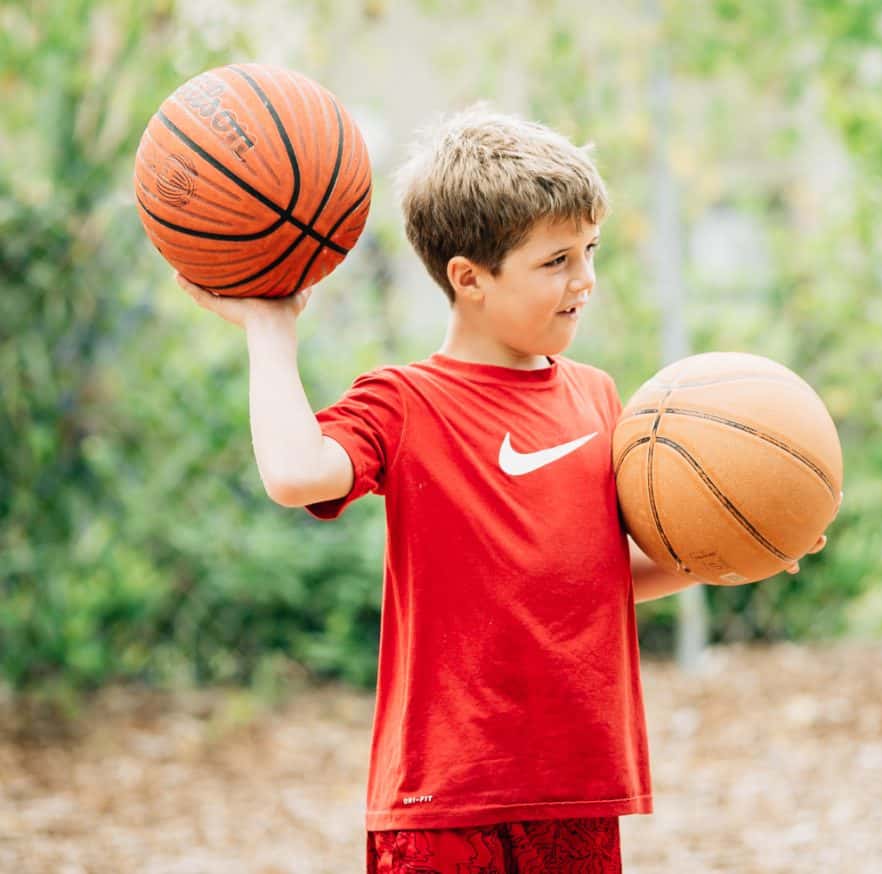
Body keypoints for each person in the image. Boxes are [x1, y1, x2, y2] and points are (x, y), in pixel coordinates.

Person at [177, 105, 826, 873]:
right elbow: (293, 474)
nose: (585, 279)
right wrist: (270, 327)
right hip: (445, 805)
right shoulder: (405, 402)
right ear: (469, 278)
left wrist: (745, 543)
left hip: (576, 795)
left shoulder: (601, 401)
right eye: (556, 262)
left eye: (589, 250)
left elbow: (599, 579)